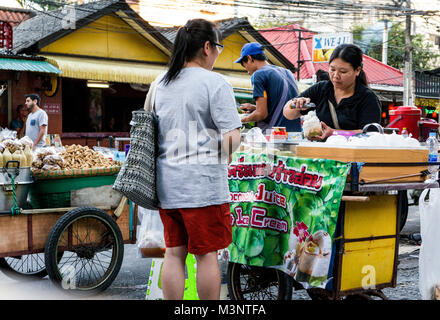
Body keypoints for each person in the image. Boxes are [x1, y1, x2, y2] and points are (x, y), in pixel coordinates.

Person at [150, 19, 242, 300]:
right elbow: (232, 138)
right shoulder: (215, 83)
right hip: (202, 187)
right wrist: (225, 149)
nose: (217, 54)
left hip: (167, 185)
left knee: (174, 253)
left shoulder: (160, 83)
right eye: (218, 48)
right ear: (206, 47)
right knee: (206, 255)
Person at [283, 44, 381, 140]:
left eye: (343, 72)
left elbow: (370, 134)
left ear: (357, 70)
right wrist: (295, 104)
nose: (335, 75)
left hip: (352, 154)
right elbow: (288, 114)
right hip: (322, 154)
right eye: (332, 69)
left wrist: (334, 133)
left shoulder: (368, 98)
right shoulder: (321, 89)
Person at [235, 42, 300, 132]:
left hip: (276, 136)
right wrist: (255, 108)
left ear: (249, 58)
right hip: (295, 134)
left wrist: (240, 120)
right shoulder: (287, 72)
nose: (246, 70)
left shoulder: (258, 75)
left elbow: (261, 114)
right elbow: (281, 106)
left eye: (243, 64)